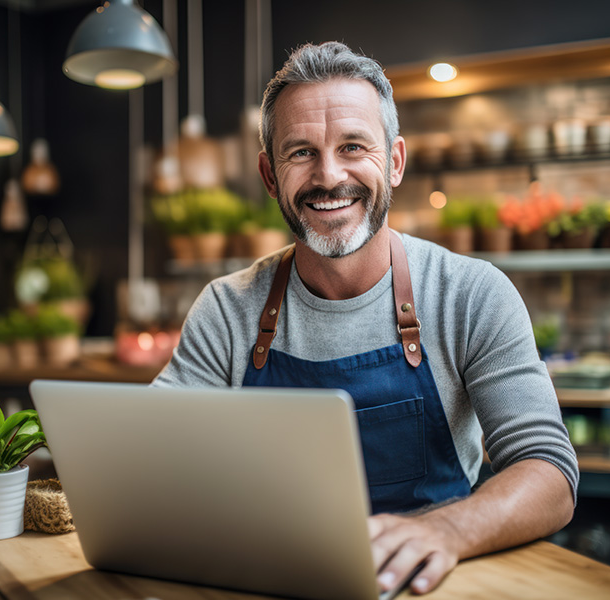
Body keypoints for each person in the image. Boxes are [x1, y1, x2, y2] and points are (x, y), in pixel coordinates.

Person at [152, 41, 578, 595]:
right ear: (269, 175)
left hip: (430, 586)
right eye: (301, 152)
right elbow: (154, 460)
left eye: (353, 147)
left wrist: (447, 529)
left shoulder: (471, 294)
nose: (329, 177)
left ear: (395, 162)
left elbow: (549, 472)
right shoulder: (228, 310)